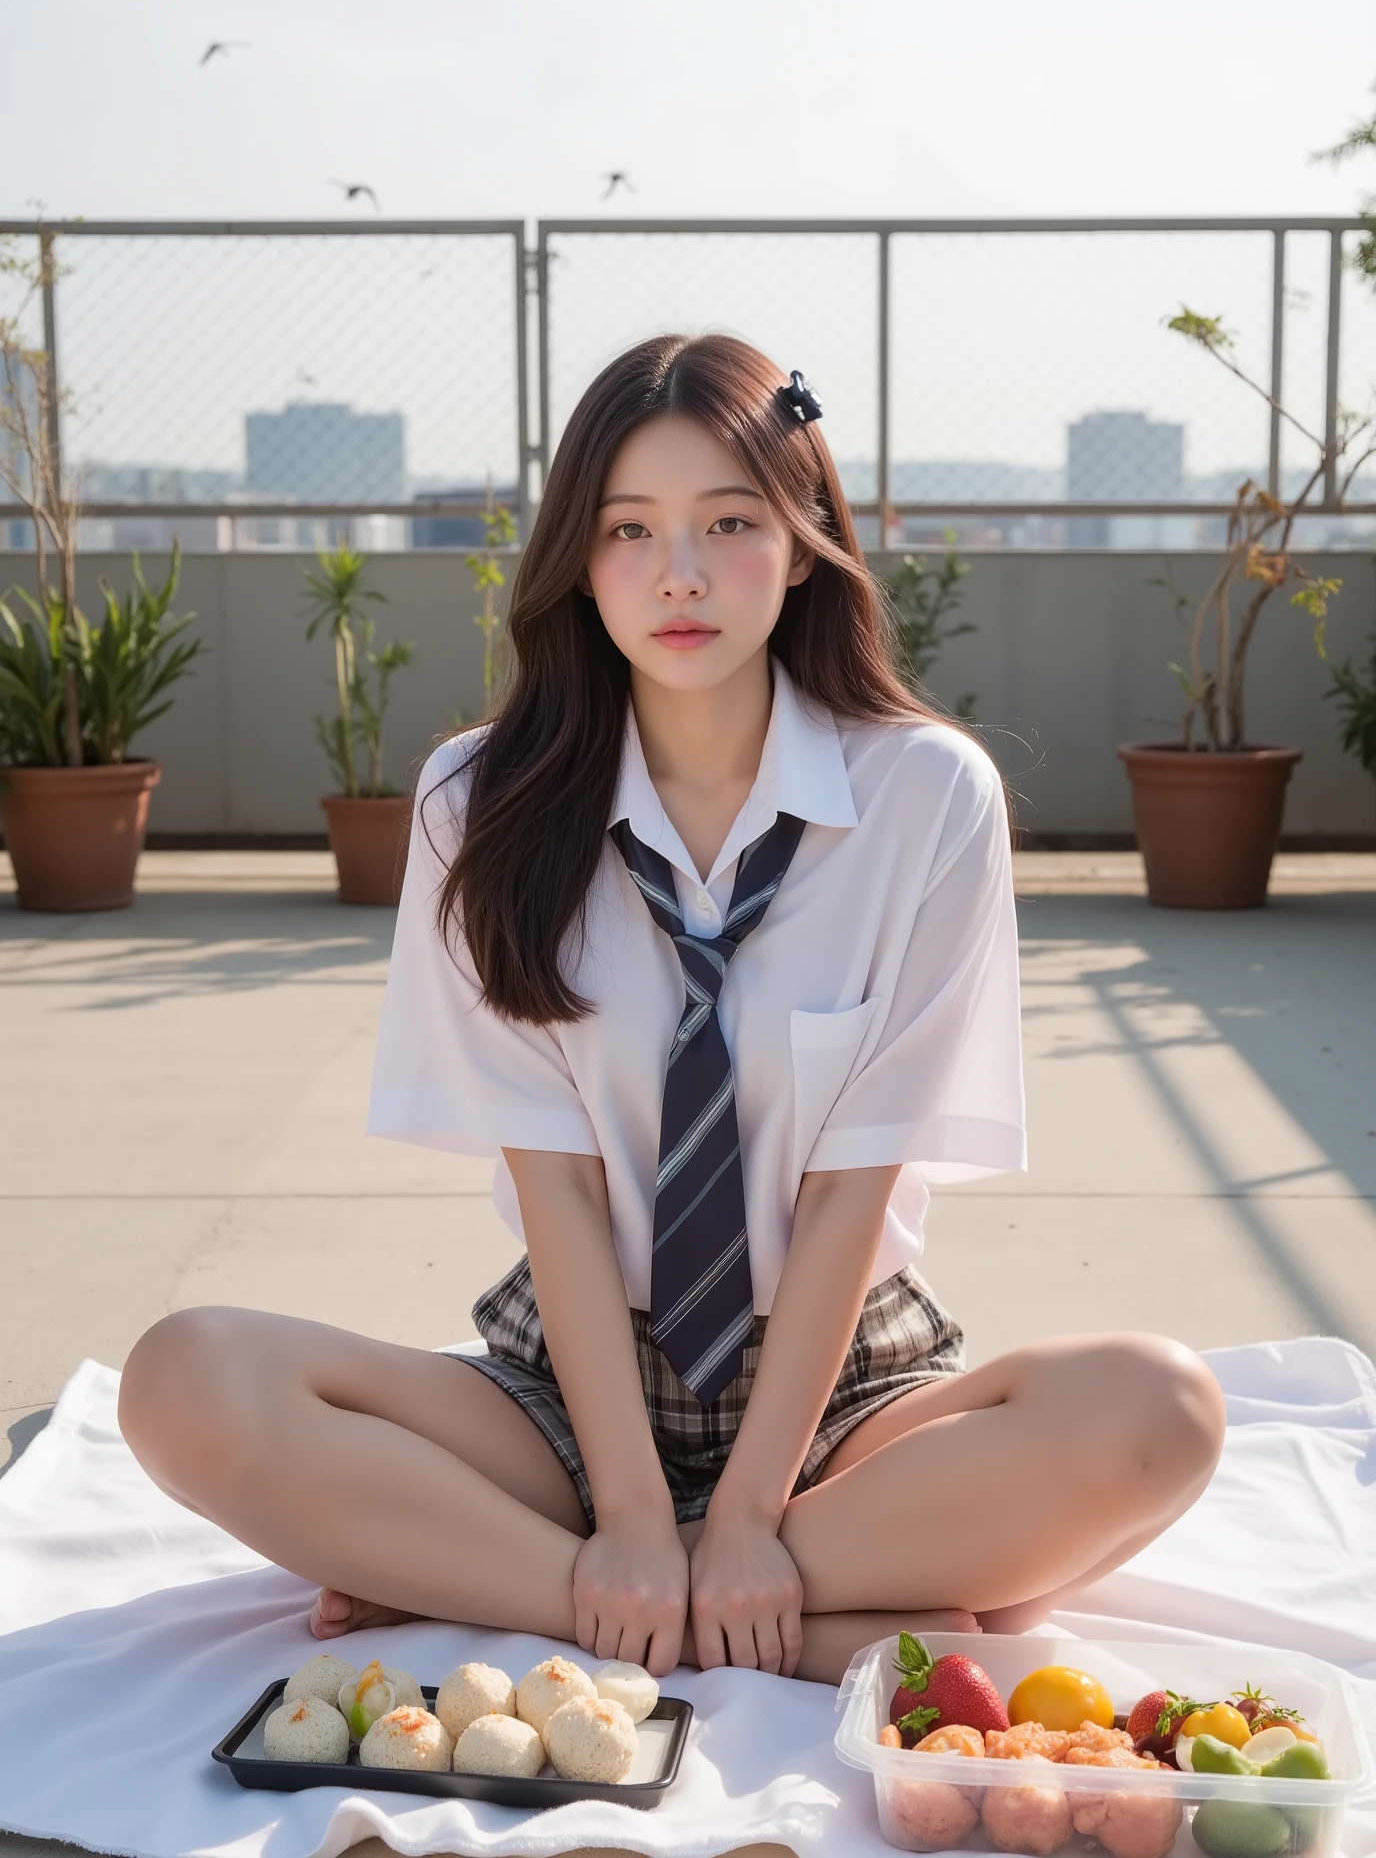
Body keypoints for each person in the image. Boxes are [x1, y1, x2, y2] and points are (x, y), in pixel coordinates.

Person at [118, 334, 1225, 1686]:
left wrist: (754, 1509)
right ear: (579, 559)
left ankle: (506, 1587)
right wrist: (638, 1513)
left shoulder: (928, 800)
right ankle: (753, 1618)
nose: (679, 575)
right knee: (184, 1381)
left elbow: (852, 1190)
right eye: (629, 529)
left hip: (846, 1387)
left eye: (730, 522)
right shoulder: (480, 804)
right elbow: (561, 1192)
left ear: (807, 540)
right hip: (567, 1389)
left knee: (1159, 1412)